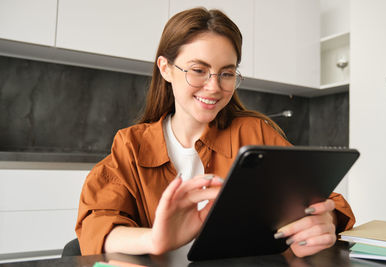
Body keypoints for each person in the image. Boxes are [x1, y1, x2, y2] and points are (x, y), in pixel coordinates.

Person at [76, 7, 355, 258]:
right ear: (166, 69)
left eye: (226, 73)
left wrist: (323, 222)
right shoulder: (131, 145)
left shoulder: (255, 132)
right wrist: (156, 239)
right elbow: (96, 222)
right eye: (198, 70)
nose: (214, 87)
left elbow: (323, 199)